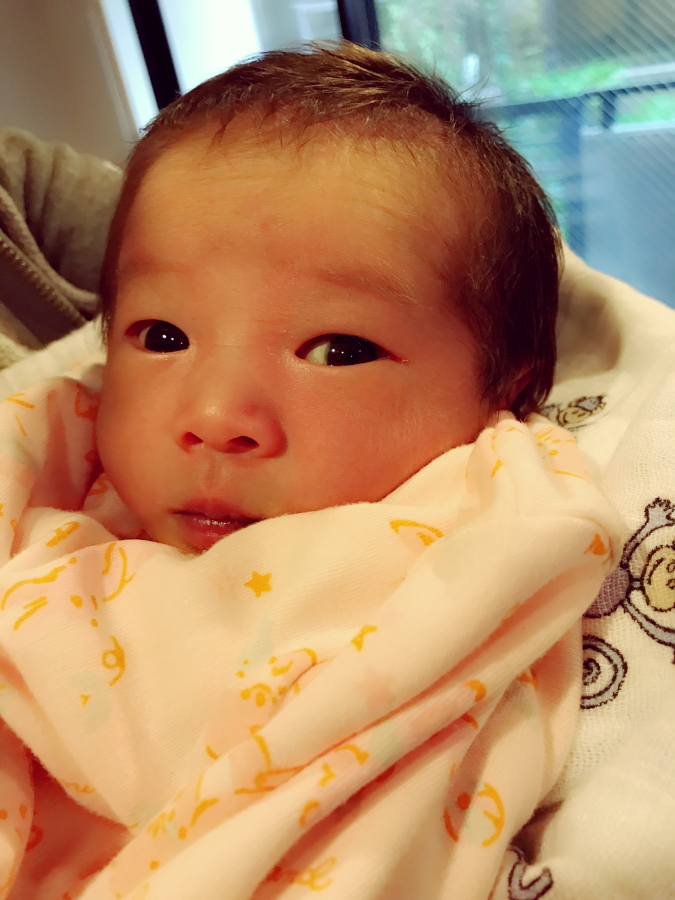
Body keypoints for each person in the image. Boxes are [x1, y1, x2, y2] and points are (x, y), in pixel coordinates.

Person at [0, 44, 619, 900]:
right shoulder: (52, 472)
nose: (215, 416)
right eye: (163, 337)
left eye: (337, 350)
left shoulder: (471, 526)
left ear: (504, 390)